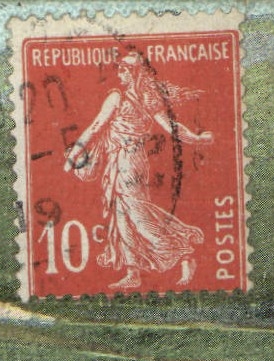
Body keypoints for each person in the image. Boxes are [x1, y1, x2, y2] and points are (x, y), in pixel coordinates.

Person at [63, 52, 213, 289]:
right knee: (121, 215)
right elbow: (98, 126)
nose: (119, 73)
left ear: (133, 73)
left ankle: (183, 252)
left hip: (129, 162)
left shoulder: (126, 97)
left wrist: (73, 156)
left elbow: (96, 127)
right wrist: (196, 138)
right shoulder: (141, 97)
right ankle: (133, 272)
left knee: (138, 215)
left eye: (123, 70)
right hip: (120, 160)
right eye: (119, 69)